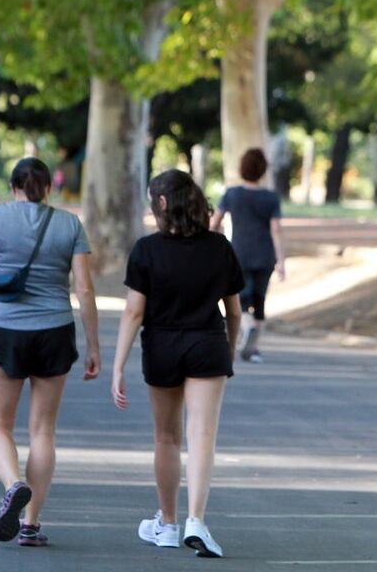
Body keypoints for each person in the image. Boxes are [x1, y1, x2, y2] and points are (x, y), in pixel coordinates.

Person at [0, 157, 101, 547]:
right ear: (48, 188)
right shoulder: (69, 224)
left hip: (7, 329)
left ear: (13, 187)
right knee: (43, 429)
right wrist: (94, 345)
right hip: (55, 332)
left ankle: (13, 485)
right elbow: (85, 290)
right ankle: (30, 524)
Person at [111, 169, 243, 558]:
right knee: (202, 435)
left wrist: (118, 364)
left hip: (162, 346)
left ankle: (167, 524)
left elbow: (134, 312)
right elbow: (234, 311)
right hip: (207, 345)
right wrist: (230, 348)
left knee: (166, 437)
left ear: (163, 204)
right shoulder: (220, 247)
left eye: (153, 201)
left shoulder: (146, 250)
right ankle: (197, 520)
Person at [211, 148, 286, 363]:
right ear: (263, 170)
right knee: (260, 300)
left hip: (239, 254)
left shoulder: (232, 194)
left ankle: (248, 326)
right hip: (265, 255)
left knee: (242, 300)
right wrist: (281, 260)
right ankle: (253, 348)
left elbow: (215, 222)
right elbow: (276, 231)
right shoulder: (271, 198)